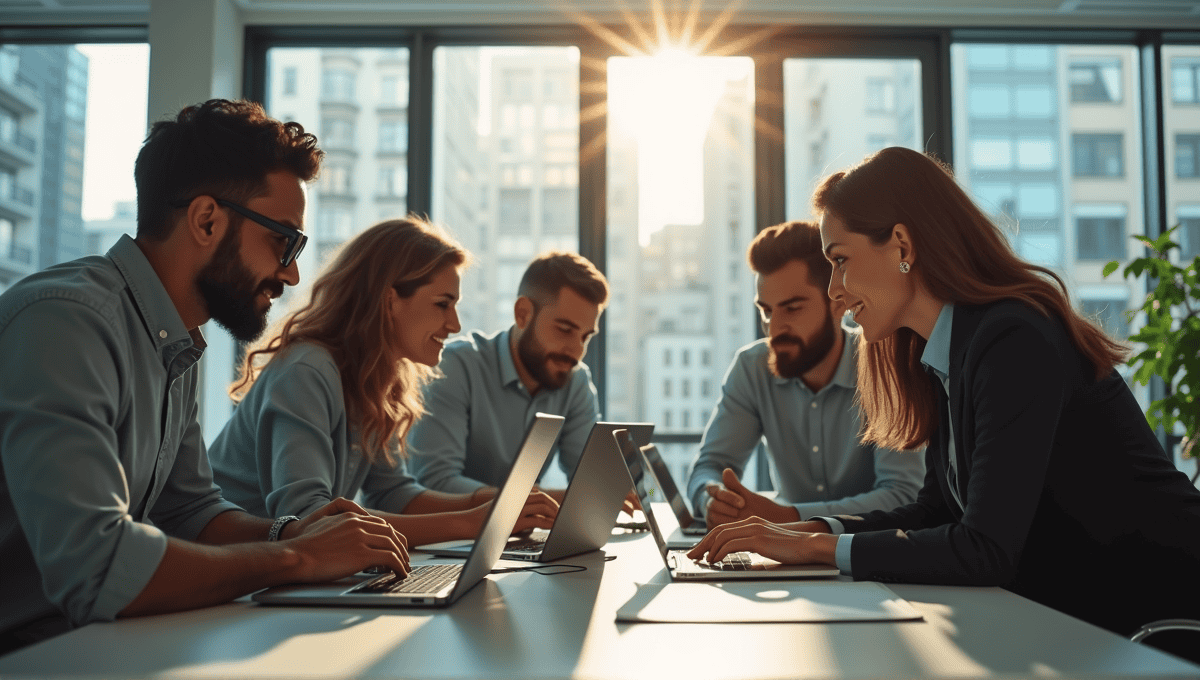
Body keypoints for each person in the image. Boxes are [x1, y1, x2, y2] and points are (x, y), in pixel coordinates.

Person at [689, 146, 1200, 649]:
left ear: (902, 246)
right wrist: (801, 526)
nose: (835, 291)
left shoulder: (1013, 338)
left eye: (840, 261)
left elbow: (986, 548)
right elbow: (934, 511)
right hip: (1088, 621)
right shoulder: (943, 352)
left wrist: (816, 547)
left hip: (1160, 618)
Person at [0, 100, 408, 654]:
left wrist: (291, 532)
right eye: (283, 241)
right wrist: (301, 558)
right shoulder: (65, 321)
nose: (290, 273)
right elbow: (99, 566)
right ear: (206, 219)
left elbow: (189, 511)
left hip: (90, 644)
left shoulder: (176, 339)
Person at [207, 219, 560, 546]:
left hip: (276, 577)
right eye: (442, 304)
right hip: (228, 584)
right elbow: (311, 517)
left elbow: (393, 493)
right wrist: (473, 522)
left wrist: (489, 501)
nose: (454, 325)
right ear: (389, 300)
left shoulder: (372, 380)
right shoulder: (307, 371)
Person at [687, 220, 923, 529]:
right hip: (783, 557)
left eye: (792, 308)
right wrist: (714, 500)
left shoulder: (885, 366)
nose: (774, 328)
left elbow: (903, 495)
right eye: (766, 311)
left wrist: (788, 517)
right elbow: (709, 467)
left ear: (838, 303)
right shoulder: (752, 367)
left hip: (872, 556)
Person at [408, 252, 608, 502]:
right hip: (446, 537)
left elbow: (590, 483)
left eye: (585, 337)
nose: (577, 350)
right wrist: (533, 501)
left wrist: (618, 496)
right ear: (523, 314)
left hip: (520, 537)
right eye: (565, 330)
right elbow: (436, 482)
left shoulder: (575, 382)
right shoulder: (455, 367)